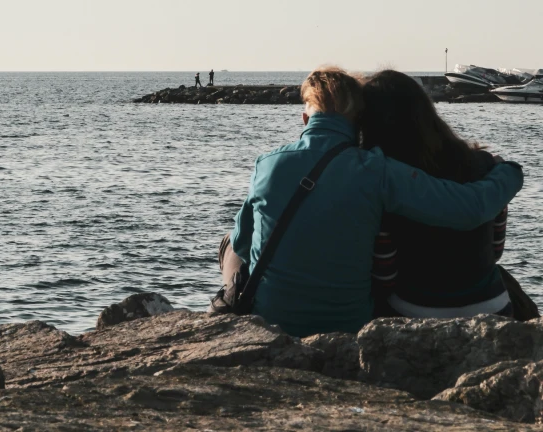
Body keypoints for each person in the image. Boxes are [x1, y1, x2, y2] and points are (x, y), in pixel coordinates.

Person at [217, 67, 523, 337]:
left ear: (304, 118)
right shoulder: (378, 171)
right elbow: (471, 212)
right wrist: (509, 171)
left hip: (271, 320)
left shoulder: (267, 163)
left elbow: (244, 246)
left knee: (230, 242)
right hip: (349, 325)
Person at [361, 69, 538, 320]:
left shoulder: (385, 180)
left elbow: (385, 276)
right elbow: (495, 250)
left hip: (414, 309)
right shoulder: (484, 167)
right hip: (493, 308)